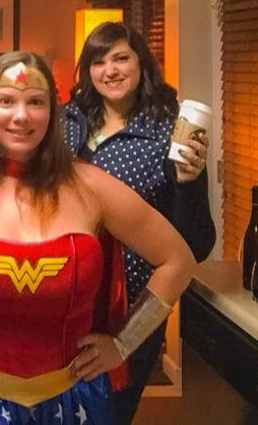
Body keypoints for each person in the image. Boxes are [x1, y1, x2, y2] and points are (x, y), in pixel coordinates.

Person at [0, 51, 197, 424]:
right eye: (6, 101)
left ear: (53, 112)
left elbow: (178, 261)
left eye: (36, 102)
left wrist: (124, 342)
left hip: (74, 402)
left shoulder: (91, 188)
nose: (21, 115)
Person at [61, 21, 216, 424]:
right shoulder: (66, 120)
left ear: (141, 63)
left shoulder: (170, 131)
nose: (110, 70)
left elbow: (196, 244)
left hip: (131, 309)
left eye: (120, 58)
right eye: (99, 61)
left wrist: (187, 181)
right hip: (63, 301)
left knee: (109, 415)